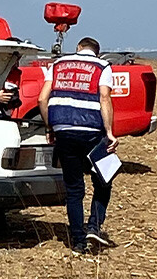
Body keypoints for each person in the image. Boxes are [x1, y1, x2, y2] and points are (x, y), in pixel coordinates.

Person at [37, 37, 118, 254]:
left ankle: (78, 242)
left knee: (74, 189)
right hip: (92, 132)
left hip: (64, 131)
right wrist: (109, 132)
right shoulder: (102, 66)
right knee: (104, 180)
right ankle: (94, 226)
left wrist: (50, 127)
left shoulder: (58, 64)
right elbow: (104, 98)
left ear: (78, 48)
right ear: (96, 52)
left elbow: (42, 99)